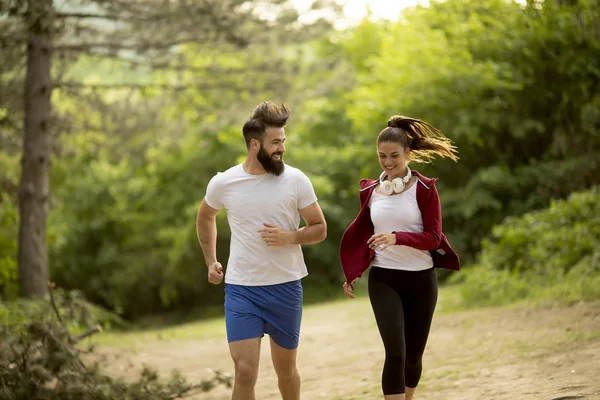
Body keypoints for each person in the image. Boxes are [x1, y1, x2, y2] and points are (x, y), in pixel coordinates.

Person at [196, 101, 327, 400]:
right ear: (255, 145)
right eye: (275, 142)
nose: (281, 148)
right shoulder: (224, 182)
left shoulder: (296, 180)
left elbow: (320, 228)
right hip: (243, 289)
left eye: (283, 141)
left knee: (286, 372)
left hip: (285, 287)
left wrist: (289, 237)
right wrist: (211, 260)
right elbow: (205, 216)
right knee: (244, 371)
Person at [339, 115, 460, 400]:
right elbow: (365, 235)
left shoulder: (425, 189)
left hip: (421, 280)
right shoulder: (370, 191)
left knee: (413, 358)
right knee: (395, 351)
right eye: (382, 156)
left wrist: (398, 236)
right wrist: (354, 272)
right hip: (384, 279)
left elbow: (433, 238)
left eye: (394, 155)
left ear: (408, 153)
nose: (388, 162)